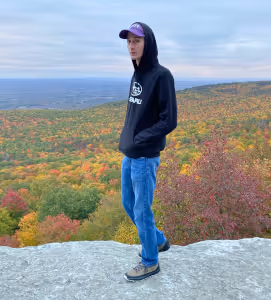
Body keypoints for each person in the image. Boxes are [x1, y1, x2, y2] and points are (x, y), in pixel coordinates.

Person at [118, 22, 177, 282]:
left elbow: (169, 120)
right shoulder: (137, 74)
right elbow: (136, 114)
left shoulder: (161, 75)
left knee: (142, 209)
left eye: (137, 41)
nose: (131, 45)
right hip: (130, 154)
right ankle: (159, 240)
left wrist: (141, 138)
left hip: (144, 156)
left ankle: (150, 260)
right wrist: (128, 137)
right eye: (129, 41)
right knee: (128, 204)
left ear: (148, 43)